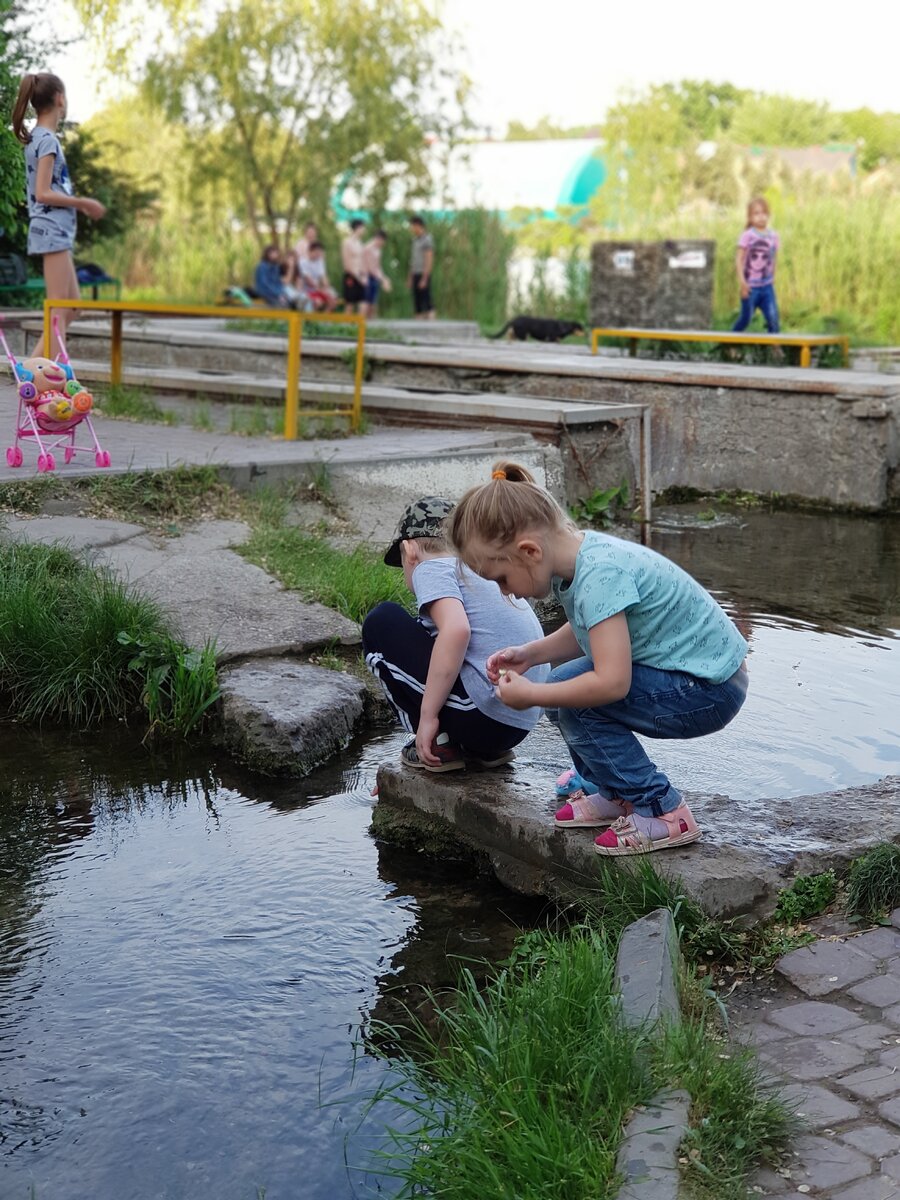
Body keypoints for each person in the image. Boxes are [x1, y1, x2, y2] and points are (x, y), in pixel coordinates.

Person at [446, 462, 749, 855]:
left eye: (501, 579)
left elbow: (612, 683)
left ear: (529, 551)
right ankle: (616, 793)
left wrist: (533, 696)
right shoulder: (575, 562)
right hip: (688, 674)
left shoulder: (599, 574)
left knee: (577, 706)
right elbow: (590, 630)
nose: (509, 594)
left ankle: (662, 810)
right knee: (564, 688)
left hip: (710, 687)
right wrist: (529, 654)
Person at [362, 496, 549, 772]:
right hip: (519, 723)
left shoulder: (432, 568)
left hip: (482, 715)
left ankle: (436, 742)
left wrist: (426, 717)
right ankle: (479, 751)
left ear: (409, 550)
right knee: (433, 637)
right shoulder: (484, 571)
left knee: (381, 620)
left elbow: (456, 630)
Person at [11, 72, 106, 358]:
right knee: (58, 312)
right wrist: (83, 202)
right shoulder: (47, 141)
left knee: (71, 308)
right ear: (59, 99)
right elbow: (42, 193)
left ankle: (34, 374)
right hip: (51, 230)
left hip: (55, 232)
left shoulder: (37, 138)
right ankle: (44, 380)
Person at [732, 197, 780, 334]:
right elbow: (739, 260)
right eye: (756, 213)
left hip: (767, 287)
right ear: (750, 217)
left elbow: (774, 257)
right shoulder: (747, 235)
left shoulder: (773, 236)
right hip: (750, 287)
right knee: (746, 318)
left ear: (768, 215)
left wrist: (773, 275)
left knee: (773, 318)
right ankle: (730, 344)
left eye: (764, 213)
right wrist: (742, 283)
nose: (761, 217)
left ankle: (775, 348)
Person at [408, 215, 435, 320]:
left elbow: (429, 259)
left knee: (427, 301)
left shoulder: (427, 239)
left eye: (412, 226)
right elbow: (413, 260)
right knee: (417, 301)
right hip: (415, 272)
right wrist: (410, 277)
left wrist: (425, 277)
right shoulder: (414, 240)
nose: (411, 229)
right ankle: (418, 322)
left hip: (423, 273)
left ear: (418, 226)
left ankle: (431, 324)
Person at [299, 241, 338, 312]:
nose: (318, 255)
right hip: (307, 291)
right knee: (318, 302)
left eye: (320, 253)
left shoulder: (319, 261)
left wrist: (327, 288)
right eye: (316, 252)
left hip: (318, 289)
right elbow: (309, 281)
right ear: (310, 251)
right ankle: (311, 320)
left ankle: (324, 320)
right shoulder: (303, 262)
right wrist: (321, 290)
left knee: (333, 299)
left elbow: (323, 277)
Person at [253, 244, 294, 308]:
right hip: (265, 292)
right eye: (273, 253)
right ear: (268, 254)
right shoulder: (262, 266)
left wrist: (281, 293)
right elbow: (264, 284)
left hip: (276, 292)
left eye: (276, 253)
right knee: (282, 305)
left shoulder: (276, 266)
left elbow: (278, 282)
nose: (276, 255)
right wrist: (277, 293)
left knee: (290, 302)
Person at [362, 230, 391, 317]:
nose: (382, 244)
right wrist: (383, 280)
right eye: (382, 241)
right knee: (366, 302)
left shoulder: (378, 250)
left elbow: (378, 267)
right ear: (379, 239)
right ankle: (361, 324)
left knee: (373, 302)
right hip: (366, 277)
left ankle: (371, 323)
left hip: (375, 277)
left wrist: (384, 278)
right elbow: (371, 268)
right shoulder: (368, 248)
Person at [340, 218, 367, 313]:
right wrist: (358, 277)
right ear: (357, 228)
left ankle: (360, 327)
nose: (364, 230)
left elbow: (362, 261)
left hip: (361, 275)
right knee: (349, 304)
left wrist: (364, 276)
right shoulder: (347, 242)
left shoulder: (360, 243)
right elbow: (347, 263)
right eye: (363, 228)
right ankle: (346, 327)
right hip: (351, 275)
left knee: (363, 303)